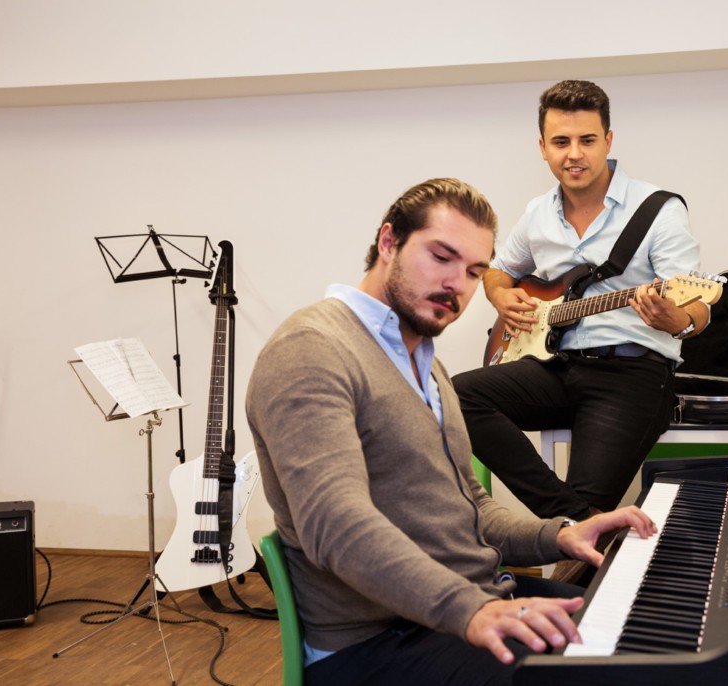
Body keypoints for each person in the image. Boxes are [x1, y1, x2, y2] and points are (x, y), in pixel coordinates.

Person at [246, 177, 657, 686]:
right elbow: (336, 525)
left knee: (644, 634)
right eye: (441, 257)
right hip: (378, 642)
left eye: (474, 272)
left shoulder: (424, 362)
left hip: (466, 603)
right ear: (389, 241)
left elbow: (469, 507)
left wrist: (560, 534)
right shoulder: (311, 350)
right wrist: (469, 610)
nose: (457, 285)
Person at [453, 80, 709, 529]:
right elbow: (496, 270)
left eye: (587, 140)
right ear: (543, 148)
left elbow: (698, 310)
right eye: (561, 142)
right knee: (454, 395)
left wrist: (676, 320)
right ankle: (580, 520)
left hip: (631, 375)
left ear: (608, 140)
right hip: (556, 367)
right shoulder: (537, 213)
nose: (574, 153)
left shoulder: (658, 210)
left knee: (578, 532)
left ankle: (574, 526)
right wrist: (499, 294)